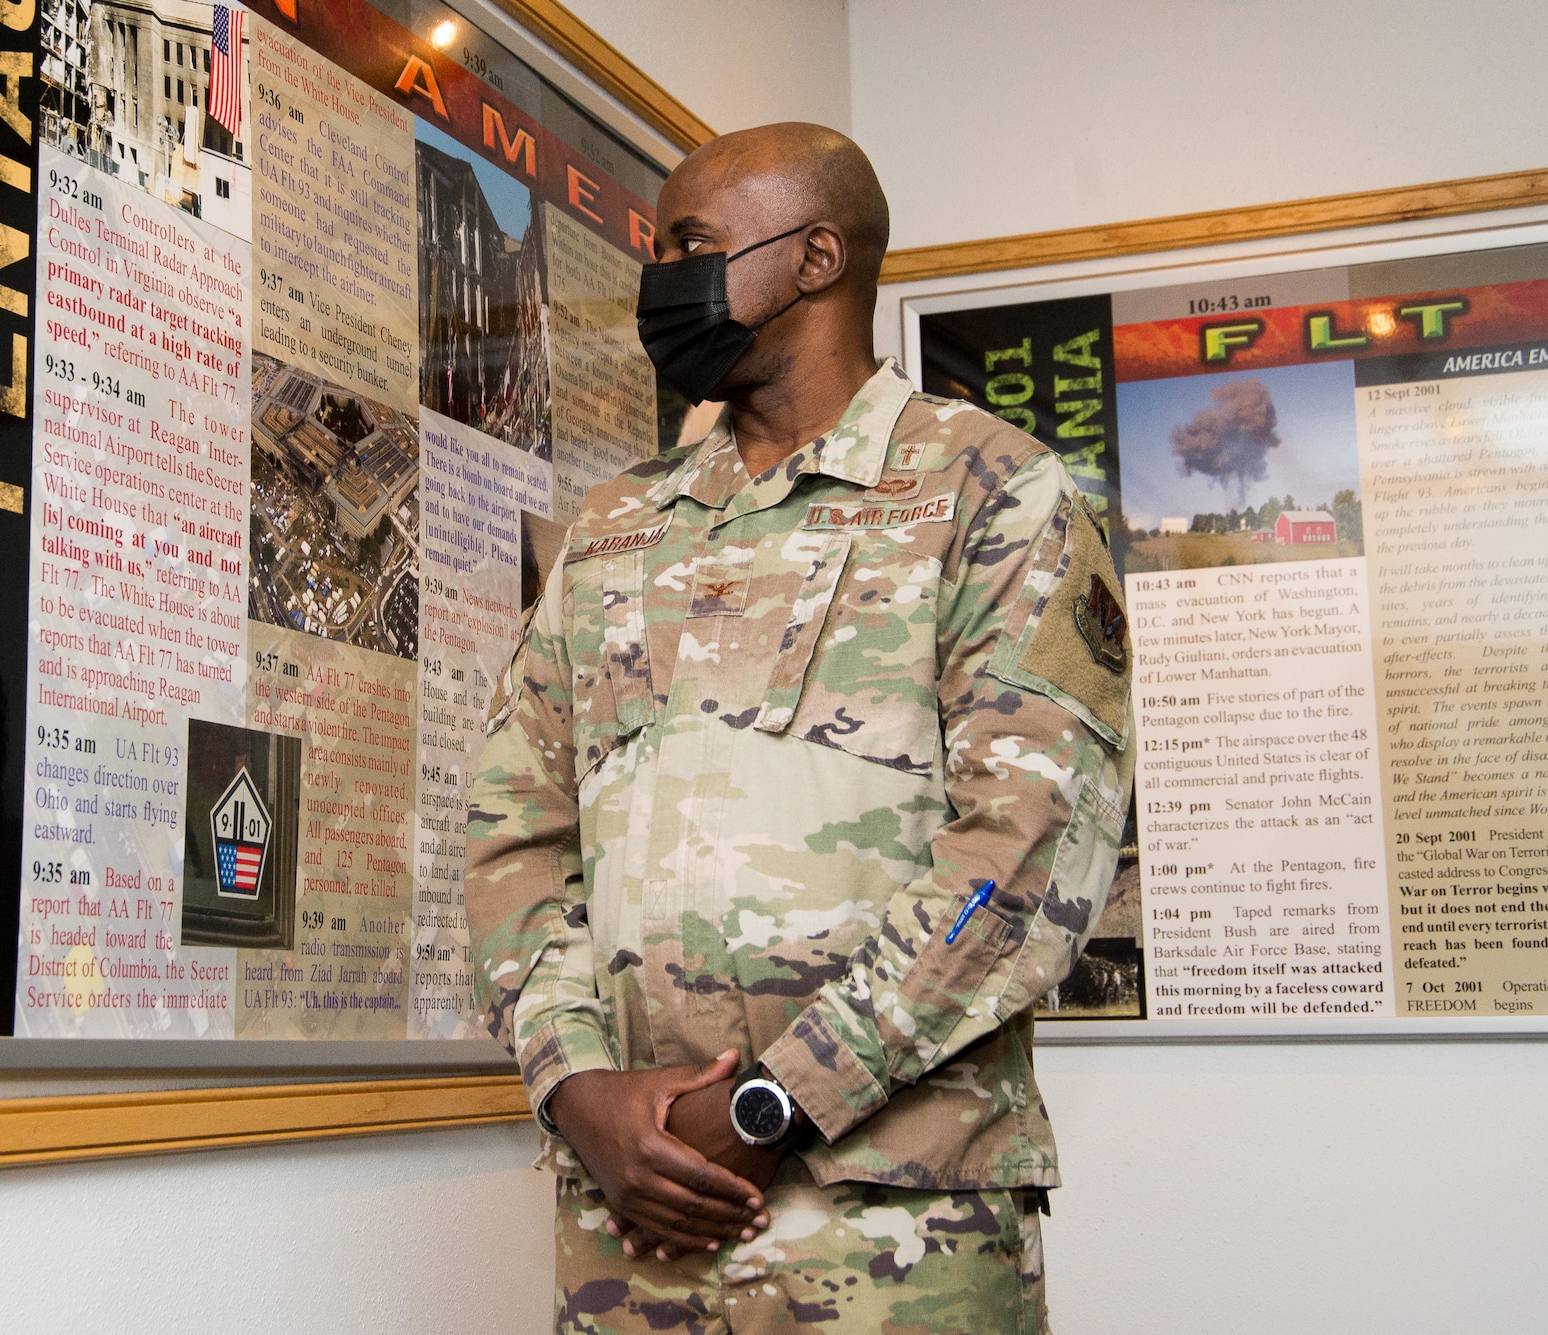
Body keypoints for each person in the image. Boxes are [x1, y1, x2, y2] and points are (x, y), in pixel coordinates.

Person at [466, 121, 1132, 1334]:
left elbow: (1023, 853)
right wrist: (575, 1088)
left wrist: (779, 1098)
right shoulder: (615, 532)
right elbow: (512, 833)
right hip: (635, 1227)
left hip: (893, 1233)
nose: (660, 283)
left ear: (815, 257)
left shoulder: (993, 492)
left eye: (691, 246)